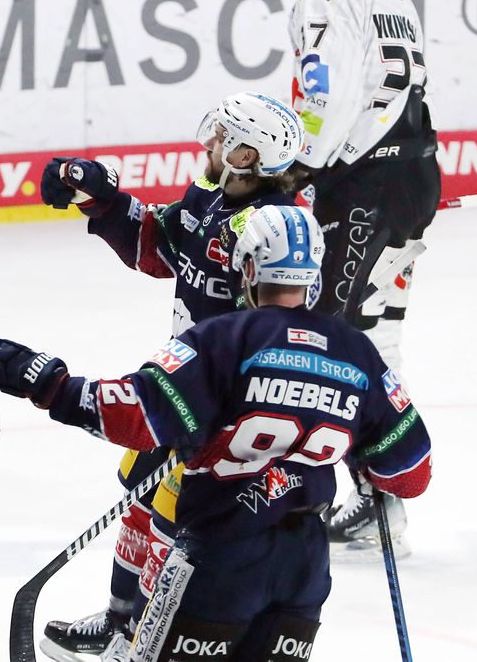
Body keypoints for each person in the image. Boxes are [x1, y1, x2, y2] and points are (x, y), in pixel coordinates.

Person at [0, 205, 432, 661]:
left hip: (221, 554)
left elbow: (133, 414)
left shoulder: (224, 337)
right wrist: (356, 449)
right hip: (305, 567)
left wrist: (47, 383)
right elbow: (411, 473)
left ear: (249, 266)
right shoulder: (357, 352)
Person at [34, 92, 306, 659]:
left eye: (222, 137)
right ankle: (119, 620)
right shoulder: (211, 197)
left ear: (246, 154)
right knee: (138, 497)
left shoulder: (265, 230)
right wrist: (101, 200)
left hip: (219, 405)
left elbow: (276, 327)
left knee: (170, 520)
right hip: (181, 379)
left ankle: (143, 639)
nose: (209, 143)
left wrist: (216, 410)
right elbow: (159, 248)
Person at [286, 0, 441, 550]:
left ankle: (368, 495)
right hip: (412, 179)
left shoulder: (324, 0)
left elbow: (325, 95)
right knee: (378, 338)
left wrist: (295, 168)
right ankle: (381, 495)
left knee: (324, 340)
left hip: (362, 195)